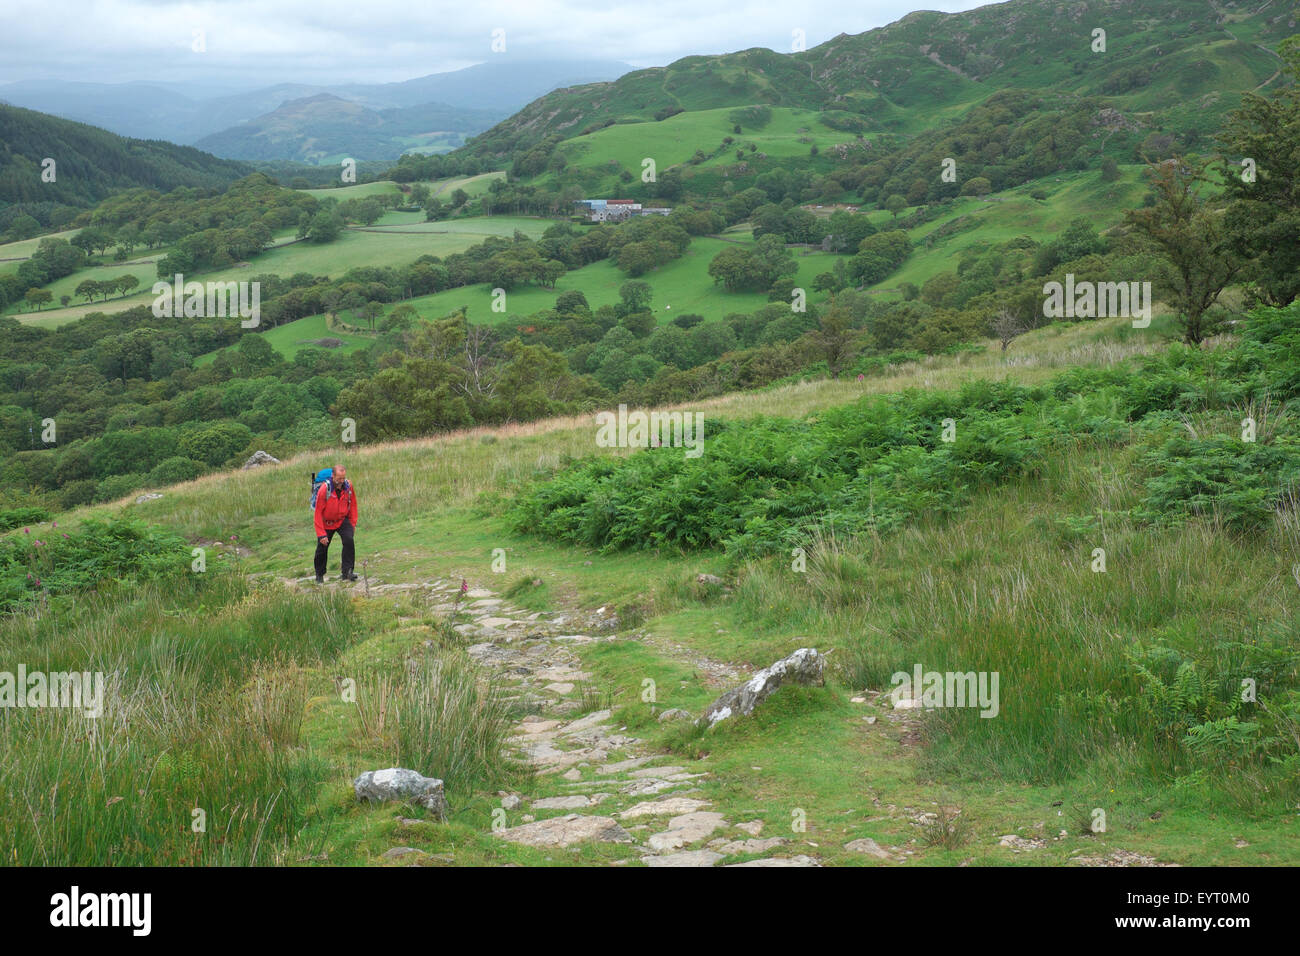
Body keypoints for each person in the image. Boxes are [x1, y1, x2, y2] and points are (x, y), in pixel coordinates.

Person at [314, 465, 358, 583]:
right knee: (322, 548)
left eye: (343, 478)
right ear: (333, 476)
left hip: (342, 520)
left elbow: (353, 504)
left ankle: (347, 572)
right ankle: (319, 575)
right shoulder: (324, 489)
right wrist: (321, 534)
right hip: (326, 522)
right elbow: (318, 512)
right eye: (339, 478)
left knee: (349, 540)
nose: (341, 481)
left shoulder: (348, 487)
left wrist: (352, 524)